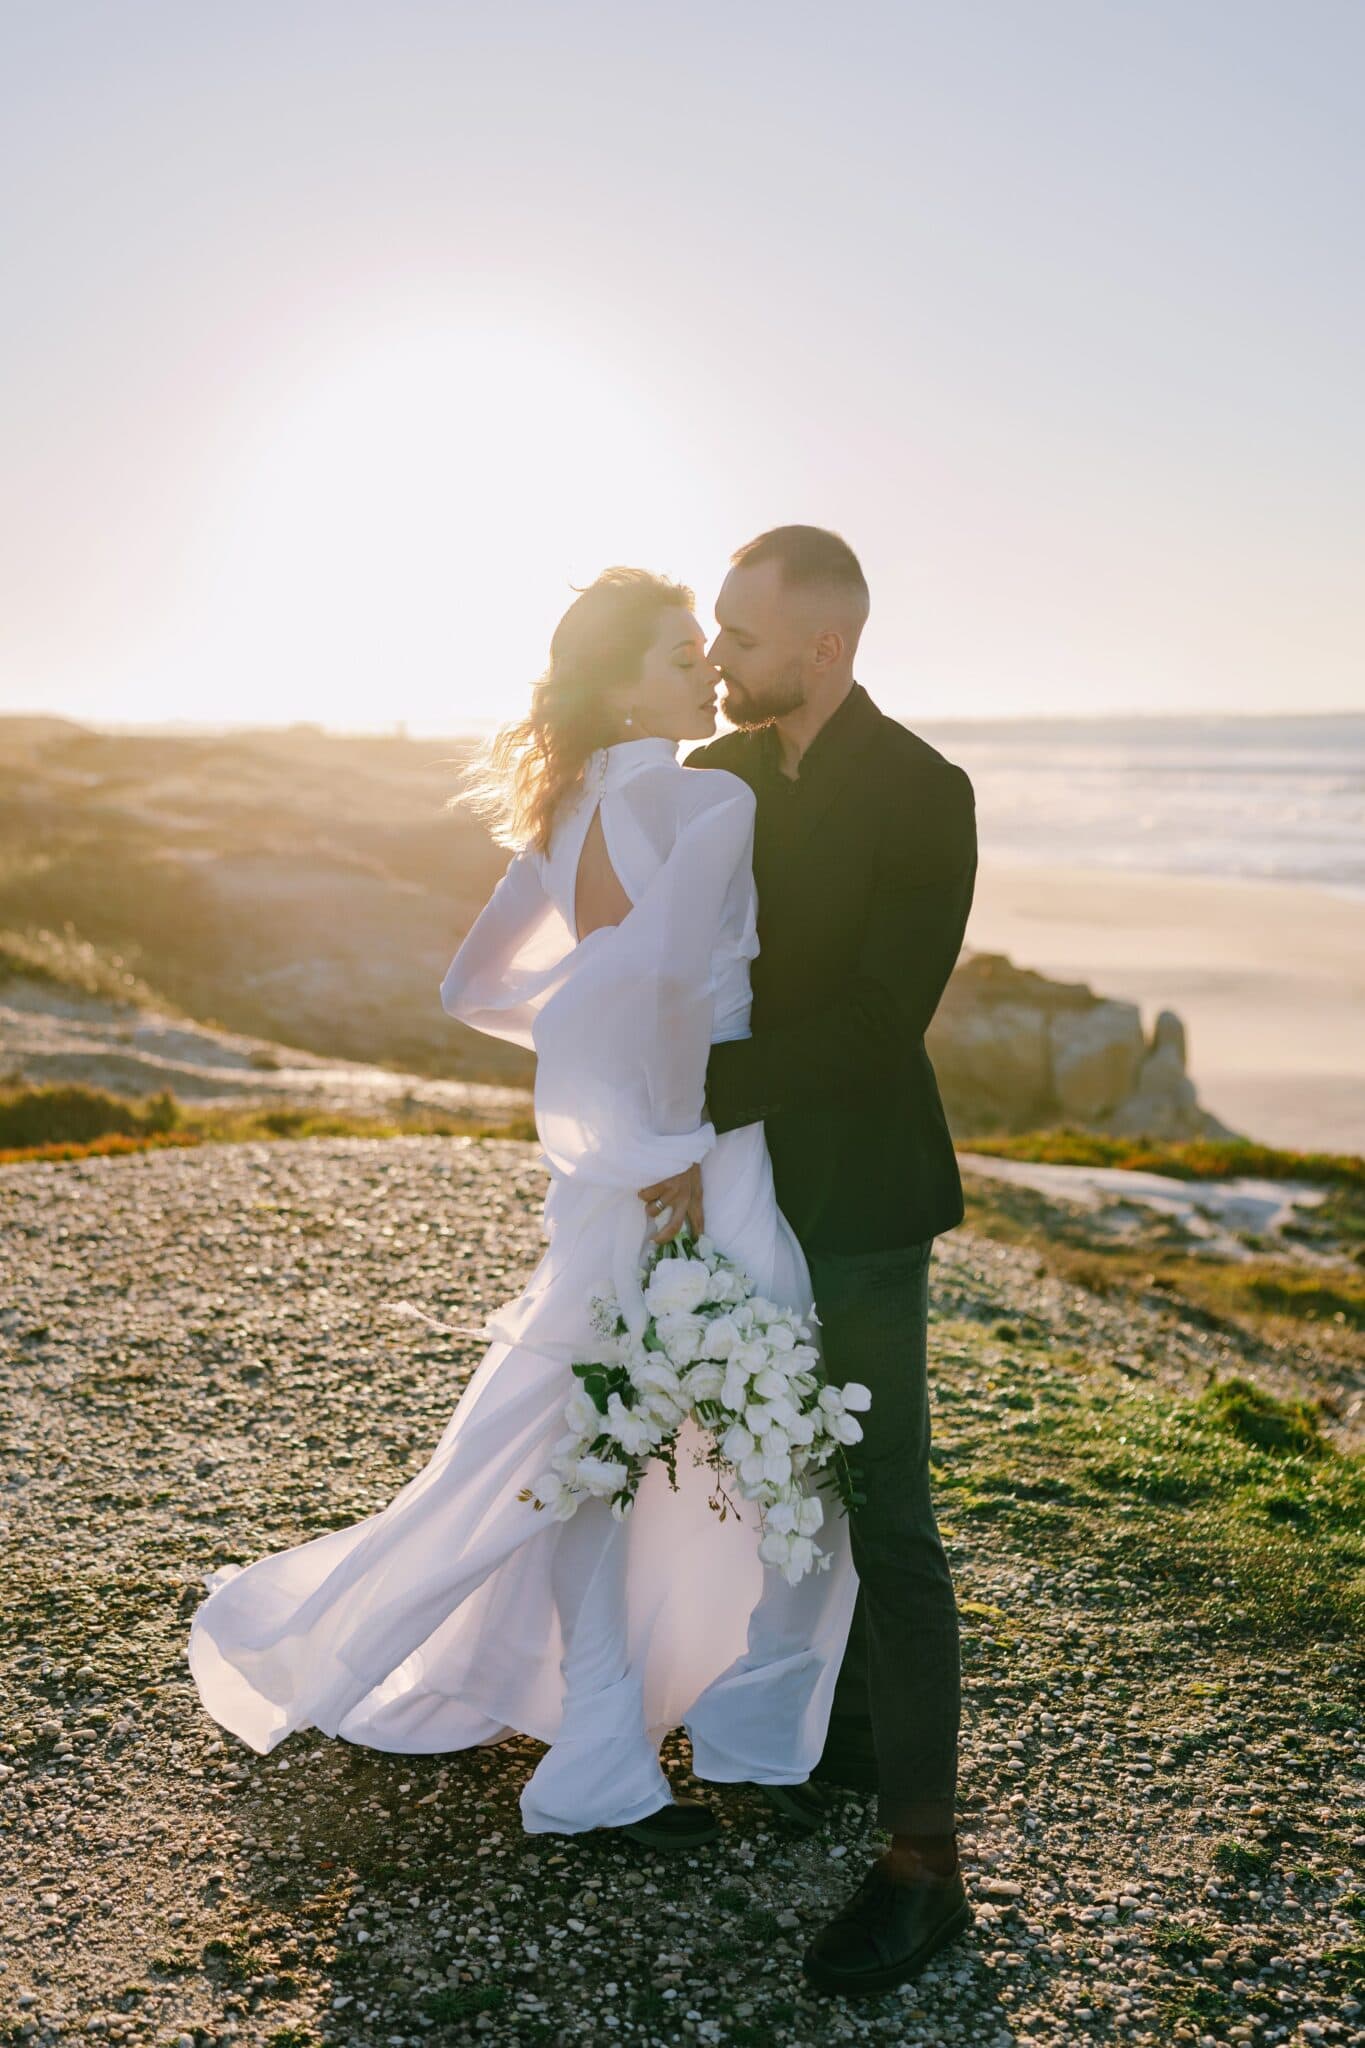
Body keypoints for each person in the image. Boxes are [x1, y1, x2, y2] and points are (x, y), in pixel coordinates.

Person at [187, 567, 856, 1852]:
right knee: (778, 1432)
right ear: (616, 682)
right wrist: (657, 1128)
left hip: (613, 1168)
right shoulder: (704, 795)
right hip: (698, 1159)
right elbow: (667, 987)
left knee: (593, 1451)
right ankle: (746, 1737)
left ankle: (606, 1748)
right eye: (677, 654)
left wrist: (587, 1079)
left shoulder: (560, 814)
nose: (705, 668)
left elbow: (474, 983)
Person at [651, 525, 977, 1995]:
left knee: (888, 1511)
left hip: (856, 1198)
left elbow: (872, 1025)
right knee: (756, 1467)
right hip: (732, 1191)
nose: (716, 653)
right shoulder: (707, 783)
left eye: (739, 632)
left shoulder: (925, 795)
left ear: (824, 646)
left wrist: (693, 1096)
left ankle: (923, 1868)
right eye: (713, 629)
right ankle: (825, 1739)